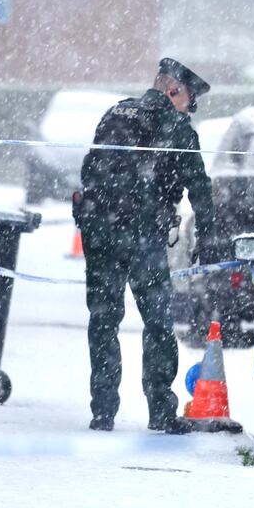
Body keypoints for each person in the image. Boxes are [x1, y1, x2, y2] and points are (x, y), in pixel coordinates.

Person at [76, 58, 214, 434]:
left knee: (103, 320)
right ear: (173, 91)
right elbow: (200, 191)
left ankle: (103, 411)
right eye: (187, 100)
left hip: (99, 231)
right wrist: (209, 237)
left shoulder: (115, 112)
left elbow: (92, 171)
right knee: (157, 322)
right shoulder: (178, 129)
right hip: (142, 236)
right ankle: (161, 411)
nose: (188, 109)